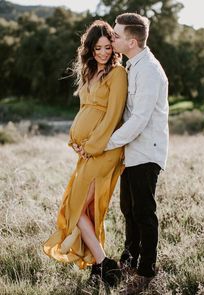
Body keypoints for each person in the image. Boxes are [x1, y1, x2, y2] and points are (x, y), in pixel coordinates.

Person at [43, 20, 128, 286]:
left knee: (76, 206)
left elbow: (112, 116)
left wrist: (91, 146)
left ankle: (105, 265)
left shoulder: (118, 74)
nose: (103, 52)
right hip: (87, 152)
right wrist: (76, 142)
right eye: (97, 48)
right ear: (89, 49)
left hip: (104, 151)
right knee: (82, 209)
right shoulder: (89, 74)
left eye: (107, 47)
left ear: (113, 47)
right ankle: (99, 264)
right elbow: (84, 112)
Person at [105, 13, 169, 294]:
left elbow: (140, 118)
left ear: (131, 41)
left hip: (146, 152)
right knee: (128, 209)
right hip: (132, 152)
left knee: (144, 212)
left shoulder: (150, 70)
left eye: (116, 36)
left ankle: (146, 271)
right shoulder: (133, 65)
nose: (112, 38)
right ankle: (129, 260)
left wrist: (107, 142)